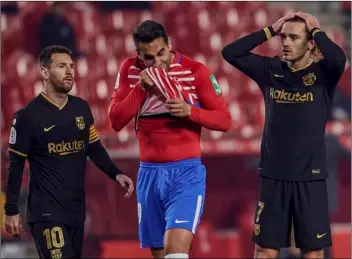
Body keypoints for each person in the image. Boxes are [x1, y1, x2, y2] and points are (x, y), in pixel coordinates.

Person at [222, 12, 346, 259]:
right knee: (265, 251)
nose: (285, 42)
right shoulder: (270, 70)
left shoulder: (324, 75)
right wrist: (269, 30)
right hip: (273, 178)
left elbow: (338, 58)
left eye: (293, 37)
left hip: (310, 180)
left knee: (312, 252)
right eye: (283, 37)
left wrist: (316, 30)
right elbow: (230, 53)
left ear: (310, 42)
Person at [109, 20, 231, 258]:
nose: (157, 63)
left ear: (169, 44)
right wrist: (140, 89)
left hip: (186, 173)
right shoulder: (129, 70)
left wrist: (190, 112)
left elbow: (224, 120)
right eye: (148, 58)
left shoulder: (196, 71)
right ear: (138, 55)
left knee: (175, 252)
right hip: (149, 175)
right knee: (160, 253)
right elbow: (115, 121)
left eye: (161, 53)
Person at [4, 45, 134, 259]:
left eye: (71, 66)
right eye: (61, 66)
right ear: (44, 73)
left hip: (75, 211)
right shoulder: (27, 117)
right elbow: (15, 165)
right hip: (46, 212)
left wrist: (115, 173)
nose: (69, 71)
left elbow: (94, 147)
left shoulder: (81, 109)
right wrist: (11, 210)